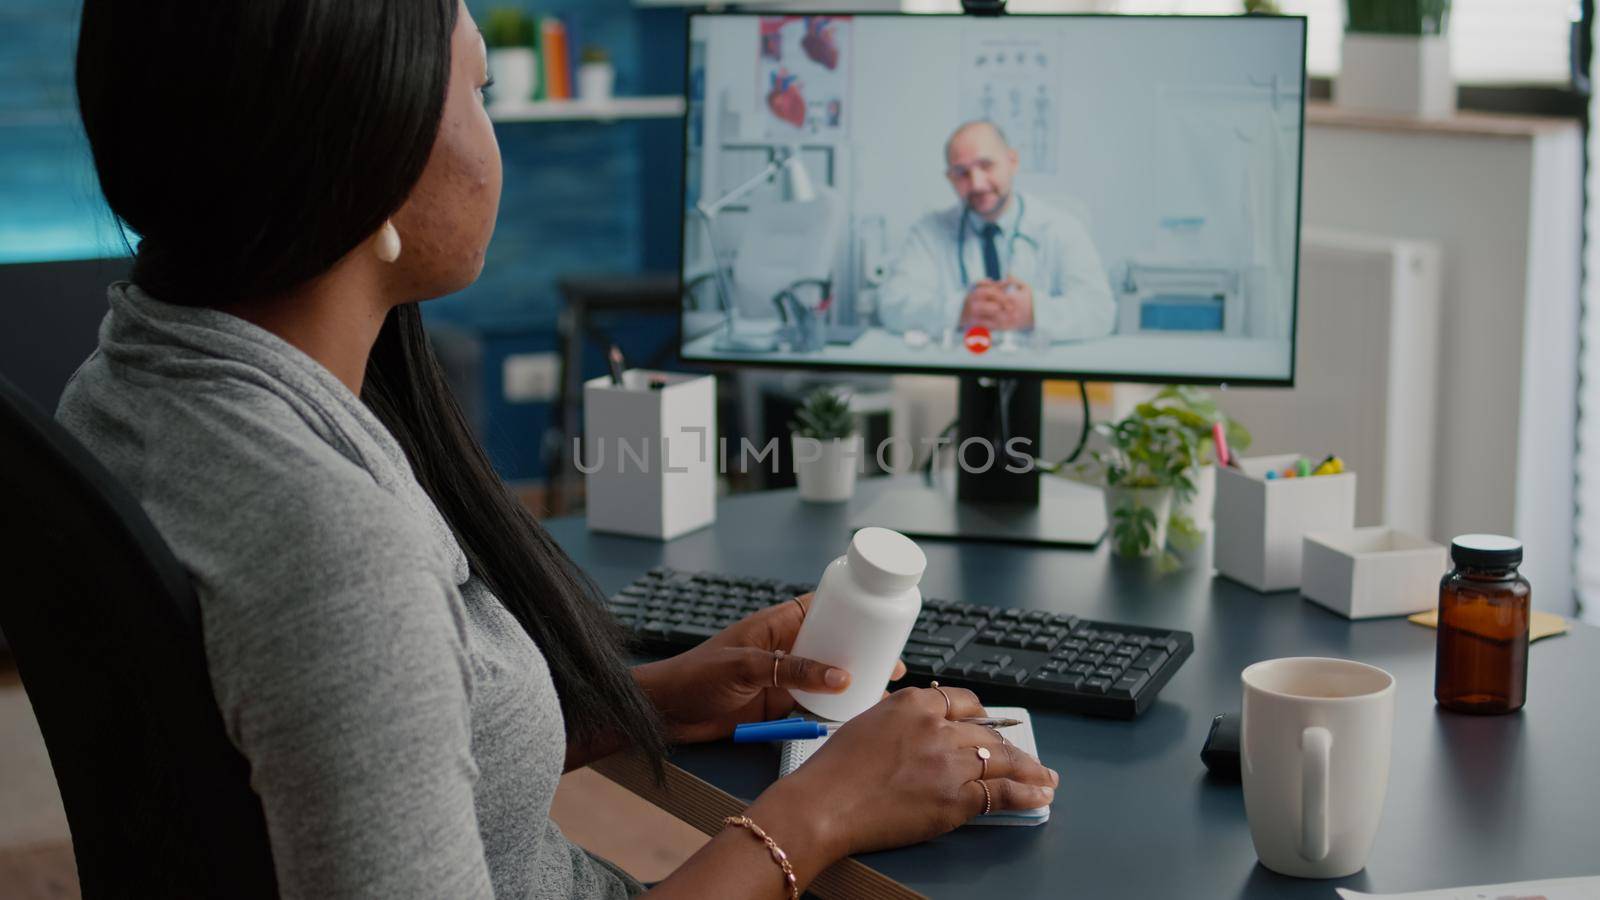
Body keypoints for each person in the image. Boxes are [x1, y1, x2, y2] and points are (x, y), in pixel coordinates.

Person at [61, 3, 1058, 898]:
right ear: (375, 148)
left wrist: (650, 701)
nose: (496, 143)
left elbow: (360, 749)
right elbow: (351, 643)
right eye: (481, 89)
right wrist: (823, 814)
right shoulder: (334, 545)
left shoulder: (134, 379)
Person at [878, 121, 1116, 343]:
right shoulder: (928, 233)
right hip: (957, 370)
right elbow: (893, 307)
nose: (977, 184)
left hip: (1040, 371)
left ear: (1012, 161)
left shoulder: (1061, 227)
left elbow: (1100, 312)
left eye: (986, 165)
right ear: (949, 178)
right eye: (962, 173)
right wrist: (959, 310)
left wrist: (1035, 312)